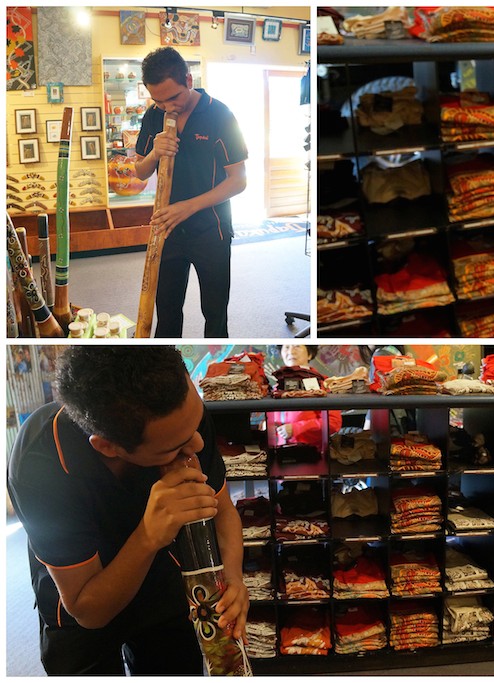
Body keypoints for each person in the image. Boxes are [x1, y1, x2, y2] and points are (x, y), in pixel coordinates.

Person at [6, 346, 248, 675]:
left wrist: (232, 578)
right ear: (107, 446)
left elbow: (223, 513)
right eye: (174, 448)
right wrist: (148, 535)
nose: (197, 446)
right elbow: (88, 611)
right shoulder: (41, 464)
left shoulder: (181, 417)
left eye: (195, 426)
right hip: (82, 600)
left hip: (162, 582)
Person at [135, 46, 248, 338]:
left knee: (214, 313)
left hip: (212, 230)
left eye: (173, 97)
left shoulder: (220, 114)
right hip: (167, 230)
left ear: (188, 79)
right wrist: (153, 154)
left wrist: (189, 206)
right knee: (167, 313)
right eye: (158, 100)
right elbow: (140, 171)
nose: (167, 107)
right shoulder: (153, 115)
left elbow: (238, 180)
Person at [271, 344, 342, 446]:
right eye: (286, 347)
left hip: (312, 453)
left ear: (309, 354)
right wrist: (268, 425)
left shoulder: (323, 384)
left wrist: (296, 428)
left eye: (297, 346)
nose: (291, 351)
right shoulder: (277, 387)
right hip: (279, 452)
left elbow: (333, 422)